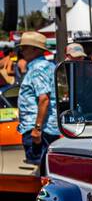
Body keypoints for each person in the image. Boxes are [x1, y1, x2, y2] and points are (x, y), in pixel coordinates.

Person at [16, 32, 59, 170]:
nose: (21, 51)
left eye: (25, 47)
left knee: (39, 170)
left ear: (35, 49)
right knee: (45, 168)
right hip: (45, 127)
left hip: (39, 129)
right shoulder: (48, 66)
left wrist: (37, 128)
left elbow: (44, 99)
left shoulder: (38, 68)